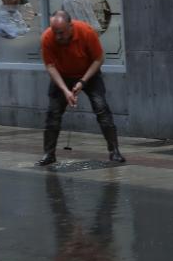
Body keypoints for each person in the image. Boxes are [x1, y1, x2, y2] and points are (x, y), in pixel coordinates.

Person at [36, 10, 125, 166]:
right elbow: (50, 66)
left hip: (88, 73)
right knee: (53, 113)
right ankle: (49, 154)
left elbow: (99, 59)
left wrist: (83, 82)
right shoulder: (47, 37)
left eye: (61, 33)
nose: (58, 37)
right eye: (55, 32)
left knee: (101, 108)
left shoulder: (86, 32)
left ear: (70, 26)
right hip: (62, 75)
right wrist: (65, 90)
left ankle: (114, 151)